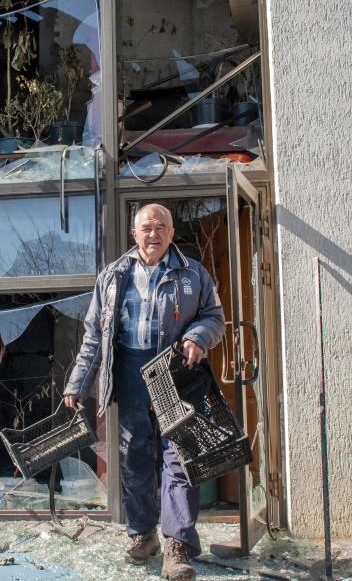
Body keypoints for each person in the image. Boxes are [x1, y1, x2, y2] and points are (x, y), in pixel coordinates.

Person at [63, 203, 224, 581]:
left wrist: (198, 337)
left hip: (175, 371)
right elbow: (94, 336)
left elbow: (213, 317)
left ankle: (178, 545)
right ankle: (143, 534)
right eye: (146, 228)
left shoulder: (193, 273)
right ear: (134, 234)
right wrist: (77, 383)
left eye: (161, 227)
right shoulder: (113, 276)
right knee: (133, 457)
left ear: (172, 232)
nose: (154, 234)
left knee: (179, 457)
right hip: (130, 372)